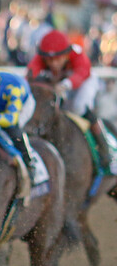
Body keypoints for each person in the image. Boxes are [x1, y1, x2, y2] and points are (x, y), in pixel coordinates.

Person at [27, 30, 114, 172]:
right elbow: (30, 75)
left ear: (67, 54)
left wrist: (67, 84)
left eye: (58, 58)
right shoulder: (39, 58)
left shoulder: (77, 54)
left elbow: (82, 72)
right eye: (49, 60)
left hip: (84, 82)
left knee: (78, 107)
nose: (53, 63)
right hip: (60, 85)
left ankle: (105, 150)